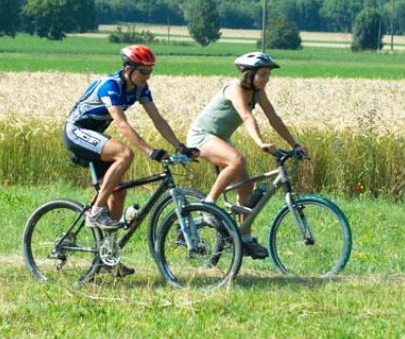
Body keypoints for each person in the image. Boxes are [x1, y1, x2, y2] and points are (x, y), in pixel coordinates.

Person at [63, 44, 198, 241]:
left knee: (118, 193)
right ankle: (96, 210)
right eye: (144, 72)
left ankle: (108, 259)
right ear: (128, 70)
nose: (148, 76)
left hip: (96, 137)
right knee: (125, 154)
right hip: (76, 132)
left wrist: (180, 146)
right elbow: (121, 124)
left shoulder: (140, 88)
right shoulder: (110, 86)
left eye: (150, 71)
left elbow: (157, 119)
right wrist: (149, 150)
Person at [186, 51, 308, 259]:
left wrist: (294, 143)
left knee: (246, 184)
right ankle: (208, 204)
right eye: (262, 74)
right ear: (248, 74)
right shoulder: (235, 89)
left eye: (268, 74)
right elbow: (246, 116)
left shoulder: (258, 92)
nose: (267, 79)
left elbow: (273, 118)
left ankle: (244, 237)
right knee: (238, 160)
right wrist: (260, 142)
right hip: (202, 136)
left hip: (221, 138)